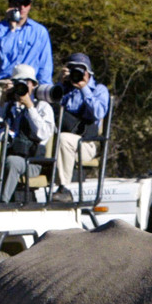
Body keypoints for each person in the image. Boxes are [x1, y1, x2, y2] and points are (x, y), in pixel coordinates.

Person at [0, 64, 55, 202]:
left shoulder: (42, 107)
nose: (21, 86)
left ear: (33, 85)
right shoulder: (8, 106)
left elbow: (43, 134)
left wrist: (29, 106)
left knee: (12, 162)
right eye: (17, 82)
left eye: (26, 82)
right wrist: (2, 100)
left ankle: (2, 202)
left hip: (31, 162)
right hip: (5, 155)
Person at [0, 0, 53, 107]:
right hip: (1, 83)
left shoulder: (40, 32)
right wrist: (11, 28)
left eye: (26, 4)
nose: (22, 7)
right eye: (17, 4)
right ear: (10, 5)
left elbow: (45, 64)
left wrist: (44, 87)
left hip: (29, 85)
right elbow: (1, 54)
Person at [53, 52, 110, 203]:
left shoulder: (99, 90)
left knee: (63, 139)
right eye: (72, 69)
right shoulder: (65, 89)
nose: (76, 73)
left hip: (85, 145)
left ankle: (63, 189)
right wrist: (60, 84)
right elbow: (50, 110)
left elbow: (98, 112)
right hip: (58, 143)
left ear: (88, 73)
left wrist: (84, 89)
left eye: (80, 70)